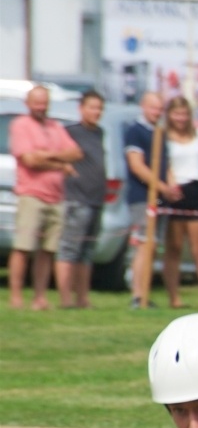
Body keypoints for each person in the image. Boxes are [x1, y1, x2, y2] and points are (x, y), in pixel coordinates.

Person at [7, 85, 81, 310]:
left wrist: (47, 155)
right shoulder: (21, 125)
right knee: (23, 247)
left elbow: (76, 153)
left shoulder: (55, 126)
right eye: (37, 103)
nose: (41, 107)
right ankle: (16, 296)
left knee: (47, 250)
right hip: (31, 195)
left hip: (56, 197)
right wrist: (61, 164)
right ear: (27, 103)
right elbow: (29, 160)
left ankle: (40, 297)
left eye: (44, 103)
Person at [158, 96, 198, 311]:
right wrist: (169, 184)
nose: (181, 118)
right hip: (176, 192)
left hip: (197, 191)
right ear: (169, 115)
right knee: (174, 247)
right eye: (176, 114)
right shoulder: (164, 137)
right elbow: (162, 164)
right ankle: (174, 298)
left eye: (184, 114)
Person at [125, 91, 179, 309]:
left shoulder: (160, 132)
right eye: (153, 108)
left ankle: (145, 292)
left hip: (160, 198)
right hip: (142, 197)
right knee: (144, 244)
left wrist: (171, 186)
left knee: (153, 246)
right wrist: (162, 187)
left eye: (160, 108)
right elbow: (137, 166)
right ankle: (138, 295)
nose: (156, 112)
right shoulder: (135, 132)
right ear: (143, 106)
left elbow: (166, 164)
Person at [55, 90, 108, 309]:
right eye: (92, 107)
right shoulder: (70, 132)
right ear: (81, 108)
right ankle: (65, 298)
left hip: (96, 199)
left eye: (99, 108)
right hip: (77, 198)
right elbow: (55, 153)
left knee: (86, 251)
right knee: (70, 248)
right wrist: (64, 165)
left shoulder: (100, 133)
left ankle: (82, 298)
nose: (96, 112)